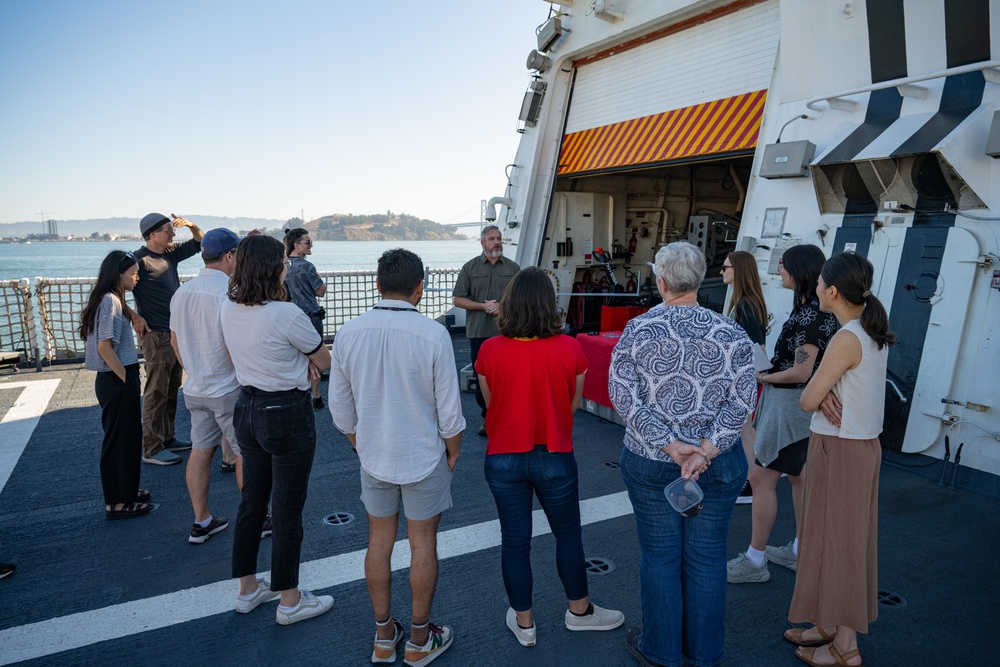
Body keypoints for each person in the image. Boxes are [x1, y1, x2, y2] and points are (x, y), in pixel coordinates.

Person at [609, 242, 756, 667]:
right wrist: (705, 450)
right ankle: (705, 652)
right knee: (707, 558)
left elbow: (623, 395)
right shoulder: (731, 333)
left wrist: (670, 445)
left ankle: (662, 649)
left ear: (662, 282)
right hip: (718, 464)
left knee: (659, 556)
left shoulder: (639, 330)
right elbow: (743, 401)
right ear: (699, 278)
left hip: (653, 462)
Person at [329, 248, 465, 666]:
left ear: (377, 283)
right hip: (425, 456)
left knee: (378, 542)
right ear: (420, 288)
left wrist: (360, 443)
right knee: (423, 543)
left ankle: (384, 637)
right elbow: (450, 413)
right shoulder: (433, 334)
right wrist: (452, 457)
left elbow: (340, 409)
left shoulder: (349, 333)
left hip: (374, 457)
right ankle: (420, 640)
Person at [475, 266, 624, 648]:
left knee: (514, 541)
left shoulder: (491, 350)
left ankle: (524, 623)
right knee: (568, 536)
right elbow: (572, 404)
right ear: (548, 304)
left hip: (504, 457)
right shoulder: (570, 347)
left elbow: (492, 406)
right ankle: (580, 612)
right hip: (555, 454)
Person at [786, 252, 893, 667]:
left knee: (841, 543)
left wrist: (819, 390)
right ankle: (830, 623)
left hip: (840, 450)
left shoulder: (846, 337)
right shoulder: (868, 329)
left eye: (819, 285)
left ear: (832, 291)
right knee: (840, 539)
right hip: (857, 446)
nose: (814, 290)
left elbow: (807, 400)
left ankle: (846, 647)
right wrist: (825, 390)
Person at [221, 235, 333, 625]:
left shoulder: (227, 307)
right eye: (283, 262)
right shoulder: (287, 315)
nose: (287, 266)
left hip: (247, 408)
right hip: (286, 412)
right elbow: (324, 360)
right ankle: (290, 600)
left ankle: (248, 590)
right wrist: (305, 363)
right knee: (287, 509)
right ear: (273, 268)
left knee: (252, 502)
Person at [727, 244, 838, 584]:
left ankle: (755, 561)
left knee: (761, 479)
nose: (780, 270)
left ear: (800, 272)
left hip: (789, 409)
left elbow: (800, 373)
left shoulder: (811, 316)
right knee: (800, 479)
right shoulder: (814, 312)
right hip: (799, 411)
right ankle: (799, 551)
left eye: (785, 265)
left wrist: (763, 376)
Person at [170, 228, 242, 545]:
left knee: (200, 452)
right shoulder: (230, 293)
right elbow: (236, 343)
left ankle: (202, 521)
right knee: (244, 455)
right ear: (229, 256)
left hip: (196, 387)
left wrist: (194, 369)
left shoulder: (181, 293)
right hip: (228, 389)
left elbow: (175, 341)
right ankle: (261, 518)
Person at [80, 250, 151, 519]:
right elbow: (104, 347)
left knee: (128, 438)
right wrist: (124, 377)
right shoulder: (109, 301)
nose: (137, 276)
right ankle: (118, 502)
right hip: (116, 378)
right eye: (133, 272)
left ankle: (127, 491)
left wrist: (133, 315)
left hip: (115, 377)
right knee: (119, 442)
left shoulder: (110, 298)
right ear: (117, 274)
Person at [132, 212, 204, 466]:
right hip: (155, 335)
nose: (172, 233)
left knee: (172, 388)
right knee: (155, 391)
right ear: (152, 234)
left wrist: (192, 225)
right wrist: (134, 316)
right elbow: (113, 289)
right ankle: (151, 448)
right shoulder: (137, 260)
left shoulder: (169, 255)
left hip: (173, 333)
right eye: (167, 230)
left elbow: (199, 243)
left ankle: (167, 437)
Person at [452, 225, 520, 436]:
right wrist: (483, 306)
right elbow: (458, 299)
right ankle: (488, 418)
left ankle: (510, 418)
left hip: (507, 332)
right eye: (491, 238)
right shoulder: (470, 268)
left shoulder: (514, 268)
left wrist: (503, 306)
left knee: (510, 378)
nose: (496, 242)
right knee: (483, 378)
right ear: (483, 243)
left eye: (499, 238)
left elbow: (521, 298)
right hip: (479, 333)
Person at [721, 250, 769, 505]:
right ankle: (747, 480)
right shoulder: (750, 301)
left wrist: (757, 376)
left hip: (744, 379)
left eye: (726, 267)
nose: (722, 271)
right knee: (745, 431)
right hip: (747, 378)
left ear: (737, 271)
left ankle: (749, 483)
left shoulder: (744, 304)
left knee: (745, 432)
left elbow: (756, 346)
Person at [282, 227, 327, 410]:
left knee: (295, 357)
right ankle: (316, 397)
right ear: (296, 244)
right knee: (315, 358)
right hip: (310, 316)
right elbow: (320, 291)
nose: (311, 245)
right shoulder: (307, 266)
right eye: (308, 242)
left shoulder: (283, 266)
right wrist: (321, 287)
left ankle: (298, 392)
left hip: (290, 316)